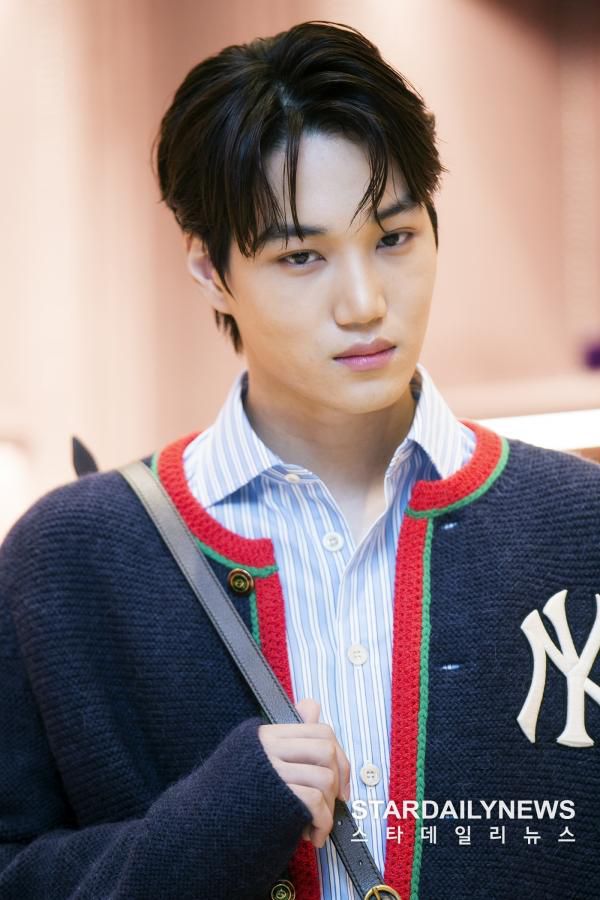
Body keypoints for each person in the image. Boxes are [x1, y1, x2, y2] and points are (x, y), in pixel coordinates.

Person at [1, 19, 599, 900]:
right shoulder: (68, 561)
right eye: (301, 255)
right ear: (211, 271)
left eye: (393, 238)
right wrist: (214, 824)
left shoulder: (578, 526)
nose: (364, 303)